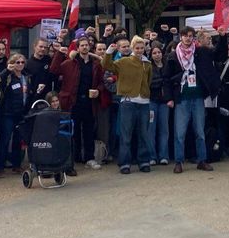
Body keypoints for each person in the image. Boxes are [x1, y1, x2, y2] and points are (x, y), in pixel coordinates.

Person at [165, 26, 227, 173]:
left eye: (190, 36)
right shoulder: (173, 56)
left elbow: (220, 55)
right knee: (180, 133)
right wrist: (169, 98)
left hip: (198, 97)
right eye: (185, 35)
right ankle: (179, 161)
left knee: (200, 131)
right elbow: (166, 78)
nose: (188, 38)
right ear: (181, 37)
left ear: (194, 38)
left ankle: (202, 160)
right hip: (181, 98)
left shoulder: (200, 52)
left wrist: (223, 37)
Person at [103, 36, 154, 174]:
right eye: (137, 48)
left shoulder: (147, 64)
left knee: (143, 134)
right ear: (132, 48)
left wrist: (145, 93)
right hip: (128, 102)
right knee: (126, 135)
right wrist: (109, 52)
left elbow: (148, 80)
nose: (139, 50)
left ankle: (143, 161)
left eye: (141, 48)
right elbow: (107, 65)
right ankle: (124, 163)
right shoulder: (124, 61)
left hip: (144, 102)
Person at [53, 37, 103, 172]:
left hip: (89, 102)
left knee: (89, 131)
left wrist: (98, 91)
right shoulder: (69, 63)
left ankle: (89, 158)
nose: (85, 47)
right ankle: (73, 159)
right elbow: (54, 70)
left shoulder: (95, 64)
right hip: (73, 102)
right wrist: (59, 53)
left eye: (87, 45)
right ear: (78, 48)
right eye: (82, 45)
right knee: (72, 132)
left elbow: (101, 82)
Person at [0, 53, 31, 176]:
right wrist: (6, 70)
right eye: (17, 62)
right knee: (4, 140)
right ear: (12, 63)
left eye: (22, 62)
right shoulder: (8, 76)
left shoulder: (26, 76)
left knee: (18, 140)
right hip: (8, 113)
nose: (20, 64)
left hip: (21, 113)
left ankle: (17, 165)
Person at [148, 44, 173, 165]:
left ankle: (164, 155)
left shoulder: (167, 66)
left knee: (164, 129)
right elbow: (149, 83)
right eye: (154, 53)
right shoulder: (149, 67)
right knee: (151, 130)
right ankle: (152, 156)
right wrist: (161, 82)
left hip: (164, 102)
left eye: (159, 52)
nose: (157, 55)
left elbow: (170, 82)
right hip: (152, 101)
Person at [25, 38, 55, 105]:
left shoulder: (49, 60)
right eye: (41, 46)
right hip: (33, 100)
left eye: (45, 47)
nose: (43, 49)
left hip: (48, 99)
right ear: (34, 46)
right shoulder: (27, 64)